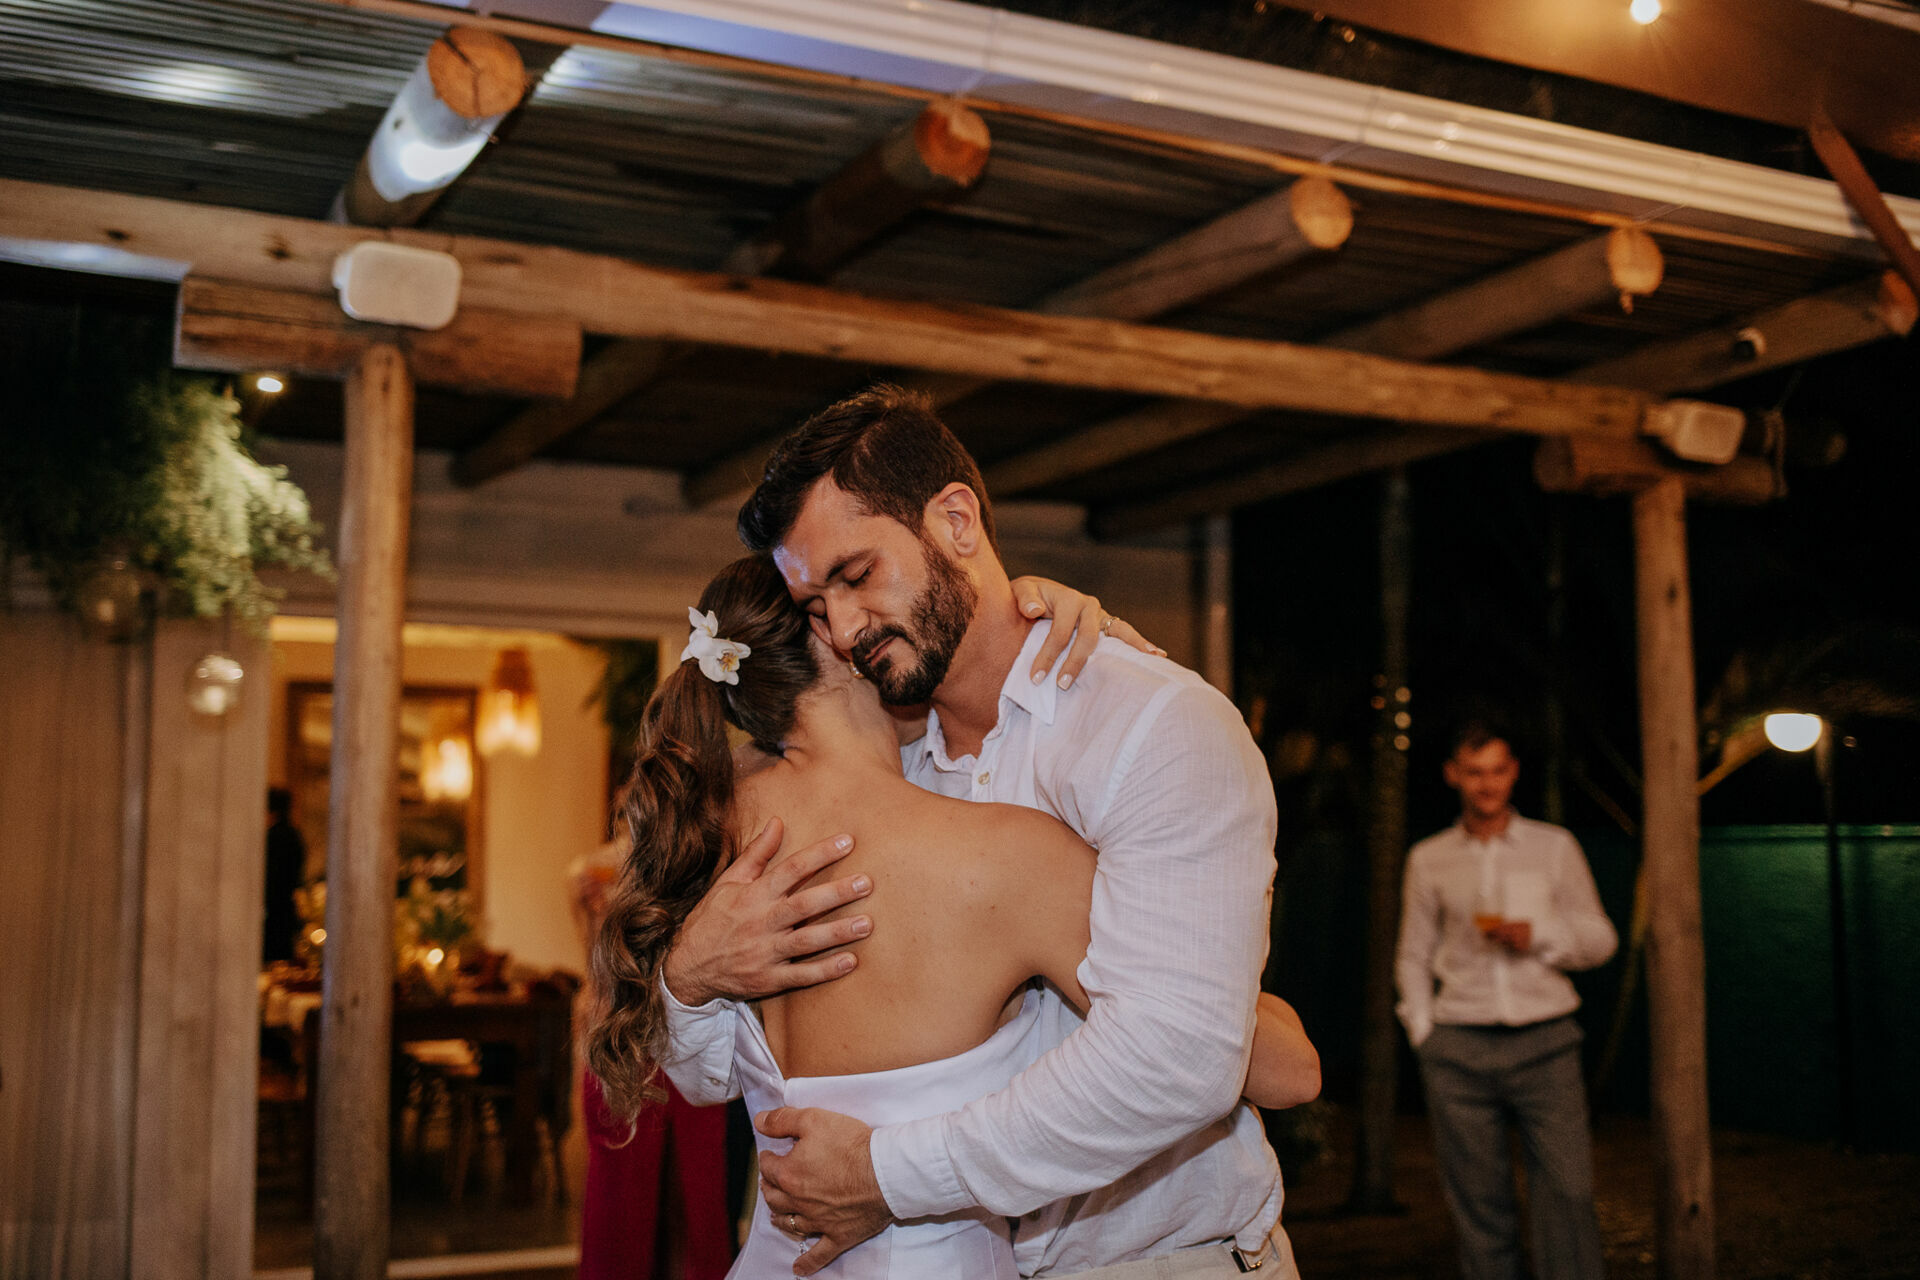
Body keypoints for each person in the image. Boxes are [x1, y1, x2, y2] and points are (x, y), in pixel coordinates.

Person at [655, 386, 1301, 1278]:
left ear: (956, 519)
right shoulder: (887, 756)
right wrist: (687, 977)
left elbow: (1177, 1058)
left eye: (855, 576)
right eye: (814, 605)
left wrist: (886, 1175)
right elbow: (723, 1069)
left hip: (1155, 1259)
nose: (842, 630)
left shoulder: (1148, 728)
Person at [1395, 720, 1619, 1280]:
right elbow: (1412, 953)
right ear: (1454, 776)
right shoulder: (1429, 857)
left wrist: (1541, 936)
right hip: (1459, 1046)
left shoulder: (1554, 847)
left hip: (1546, 1042)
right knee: (1478, 1201)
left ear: (1513, 772)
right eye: (1474, 772)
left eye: (1497, 770)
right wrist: (1424, 1030)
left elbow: (1601, 939)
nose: (1487, 784)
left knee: (1568, 1192)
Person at [263, 787, 306, 965]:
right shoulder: (294, 835)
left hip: (273, 910)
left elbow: (270, 878)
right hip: (287, 909)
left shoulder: (273, 837)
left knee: (271, 959)